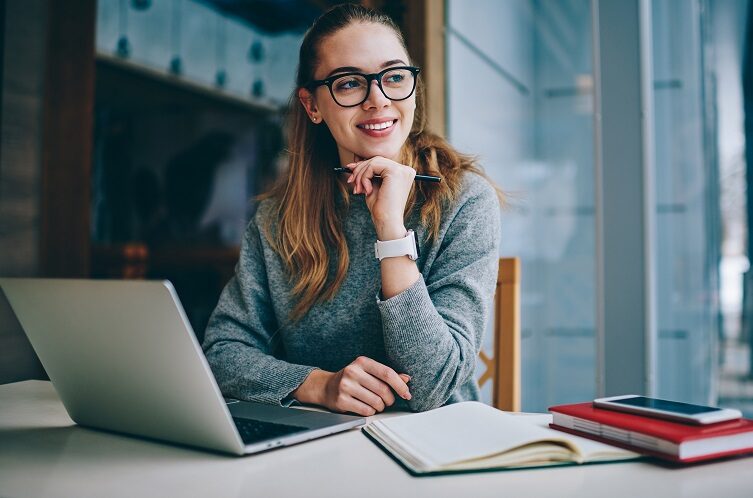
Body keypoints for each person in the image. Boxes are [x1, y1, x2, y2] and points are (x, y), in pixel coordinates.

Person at [202, 4, 502, 416]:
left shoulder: (465, 201)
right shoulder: (276, 219)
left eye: (394, 77)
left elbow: (433, 386)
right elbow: (222, 352)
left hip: (433, 450)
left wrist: (391, 233)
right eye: (348, 84)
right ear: (312, 105)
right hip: (315, 447)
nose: (378, 101)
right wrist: (317, 385)